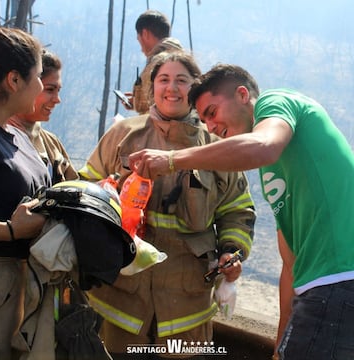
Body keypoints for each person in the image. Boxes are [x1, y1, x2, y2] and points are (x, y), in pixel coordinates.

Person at [129, 64, 354, 360]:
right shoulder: (271, 170)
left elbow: (262, 145)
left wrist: (172, 160)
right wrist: (279, 345)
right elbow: (290, 261)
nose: (210, 127)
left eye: (212, 112)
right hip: (315, 288)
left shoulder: (277, 102)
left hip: (338, 280)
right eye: (204, 120)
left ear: (243, 95)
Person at [79, 53, 256, 359]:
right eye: (163, 80)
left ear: (195, 91)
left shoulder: (216, 144)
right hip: (121, 298)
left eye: (182, 80)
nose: (172, 88)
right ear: (152, 88)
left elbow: (238, 210)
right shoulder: (124, 135)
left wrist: (232, 251)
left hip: (186, 304)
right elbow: (86, 189)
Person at [0, 27, 51, 359]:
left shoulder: (15, 136)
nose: (42, 87)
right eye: (39, 76)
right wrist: (12, 230)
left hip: (22, 285)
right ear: (14, 80)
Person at [8, 49, 78, 184]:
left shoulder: (51, 143)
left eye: (58, 90)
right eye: (50, 90)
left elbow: (73, 186)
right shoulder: (1, 140)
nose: (57, 100)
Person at [122, 9, 182, 114]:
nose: (141, 48)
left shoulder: (157, 63)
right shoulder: (184, 59)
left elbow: (157, 110)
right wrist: (137, 101)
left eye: (138, 38)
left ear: (145, 34)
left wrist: (138, 104)